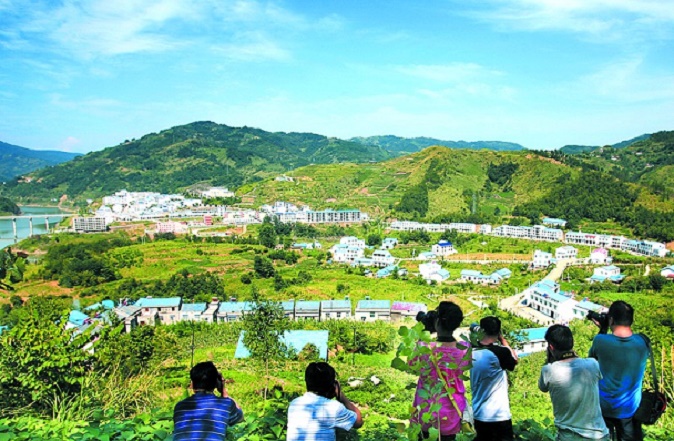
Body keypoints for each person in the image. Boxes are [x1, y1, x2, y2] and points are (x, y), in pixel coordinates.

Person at [588, 301, 648, 441]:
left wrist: (603, 329)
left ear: (611, 319)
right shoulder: (643, 342)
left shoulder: (600, 341)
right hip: (630, 410)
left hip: (603, 407)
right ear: (631, 320)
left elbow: (591, 363)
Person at [539, 325, 610, 441]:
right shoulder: (592, 364)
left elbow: (543, 387)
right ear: (572, 342)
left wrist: (551, 359)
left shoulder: (548, 371)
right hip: (598, 435)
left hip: (568, 436)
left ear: (551, 347)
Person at [411, 301, 470, 440]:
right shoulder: (465, 348)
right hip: (452, 413)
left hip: (427, 411)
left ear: (437, 321)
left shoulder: (424, 347)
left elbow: (412, 365)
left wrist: (423, 333)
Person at [469, 316, 518, 441]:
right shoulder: (499, 353)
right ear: (498, 332)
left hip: (479, 414)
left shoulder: (471, 351)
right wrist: (503, 339)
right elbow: (514, 359)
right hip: (499, 415)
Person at [286, 362, 363, 441]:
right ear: (332, 385)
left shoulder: (294, 404)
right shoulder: (334, 407)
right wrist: (341, 397)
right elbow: (358, 422)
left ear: (307, 382)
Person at [173, 361, 244, 441]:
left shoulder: (179, 407)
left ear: (192, 384)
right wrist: (223, 390)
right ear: (216, 383)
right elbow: (240, 418)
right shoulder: (225, 404)